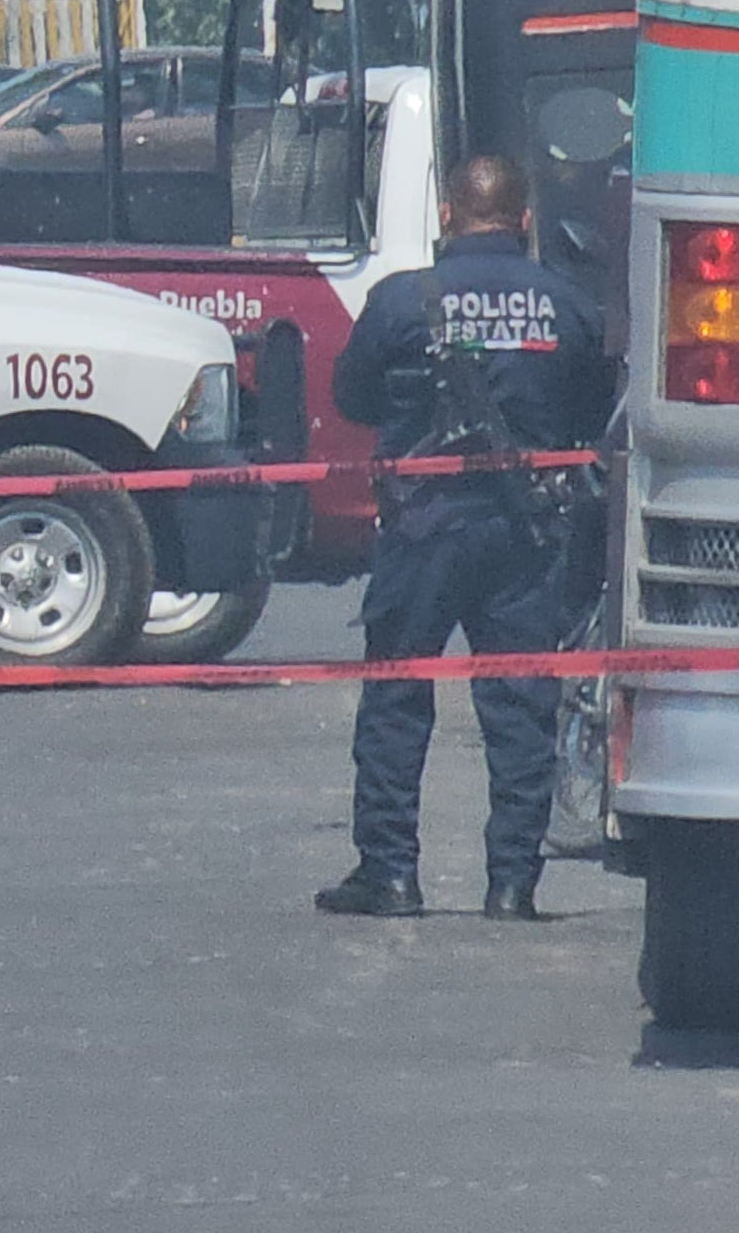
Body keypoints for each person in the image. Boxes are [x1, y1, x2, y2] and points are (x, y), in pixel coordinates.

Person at [317, 153, 615, 923]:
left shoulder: (399, 303)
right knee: (520, 707)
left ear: (446, 215)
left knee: (396, 699)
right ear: (523, 221)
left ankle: (389, 874)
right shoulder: (569, 306)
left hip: (422, 529)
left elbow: (350, 398)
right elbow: (592, 415)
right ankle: (512, 884)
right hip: (524, 535)